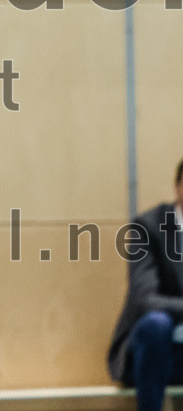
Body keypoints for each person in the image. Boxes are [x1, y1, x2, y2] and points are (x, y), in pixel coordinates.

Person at [108, 158, 183, 411]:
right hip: (152, 347)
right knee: (156, 323)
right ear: (178, 187)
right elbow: (145, 300)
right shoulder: (148, 226)